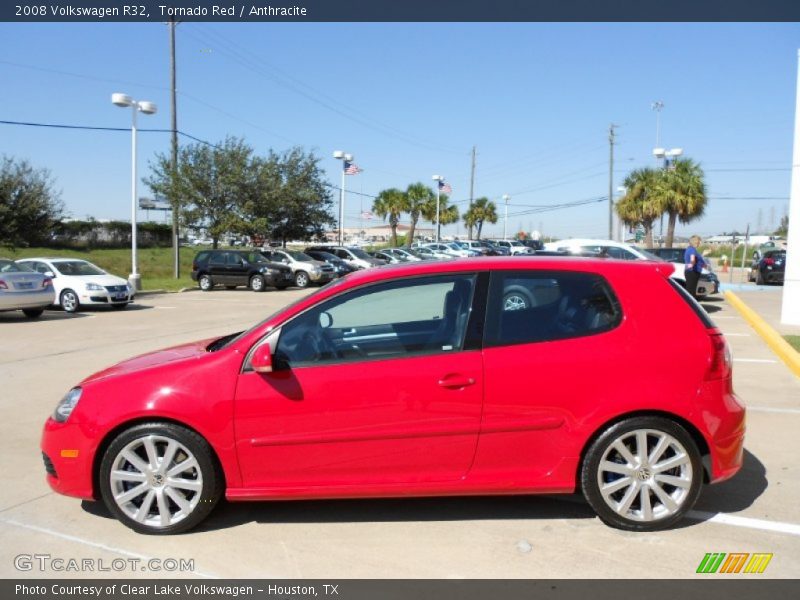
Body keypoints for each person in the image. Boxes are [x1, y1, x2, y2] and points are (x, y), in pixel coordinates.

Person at [684, 235, 706, 300]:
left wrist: (703, 255)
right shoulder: (692, 250)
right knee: (690, 292)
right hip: (692, 272)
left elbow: (695, 260)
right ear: (696, 242)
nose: (700, 243)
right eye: (699, 241)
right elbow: (692, 260)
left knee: (691, 291)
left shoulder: (690, 249)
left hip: (692, 272)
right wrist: (690, 265)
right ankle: (689, 307)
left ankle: (689, 306)